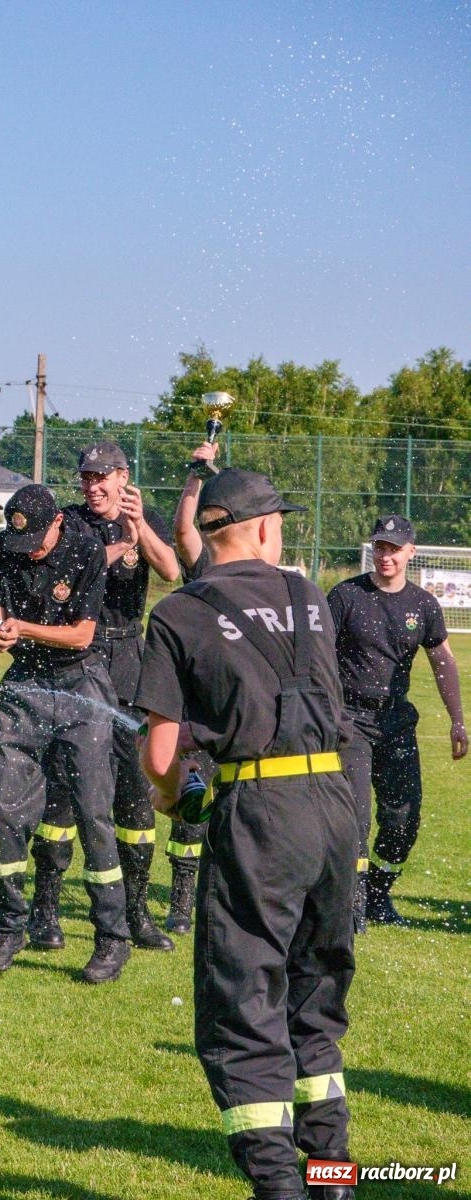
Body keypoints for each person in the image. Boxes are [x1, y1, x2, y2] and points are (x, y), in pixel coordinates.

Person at [137, 468, 358, 1200]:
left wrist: (177, 800)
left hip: (261, 814)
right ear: (265, 529)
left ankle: (278, 1188)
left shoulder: (179, 612)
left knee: (243, 1006)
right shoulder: (309, 598)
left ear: (209, 533)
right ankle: (333, 1182)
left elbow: (160, 758)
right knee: (313, 1008)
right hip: (334, 805)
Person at [26, 441, 179, 953]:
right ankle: (44, 910)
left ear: (123, 477)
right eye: (86, 478)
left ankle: (136, 912)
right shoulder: (67, 523)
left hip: (130, 659)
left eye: (102, 477)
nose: (92, 487)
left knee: (137, 795)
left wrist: (142, 533)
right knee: (64, 793)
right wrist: (116, 546)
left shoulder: (145, 516)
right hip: (78, 660)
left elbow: (171, 572)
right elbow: (68, 575)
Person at [0, 483, 131, 984]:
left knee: (92, 811)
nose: (32, 551)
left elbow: (83, 633)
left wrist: (19, 626)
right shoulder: (5, 547)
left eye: (39, 541)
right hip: (23, 684)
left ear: (58, 523)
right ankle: (9, 925)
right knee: (2, 806)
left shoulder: (86, 549)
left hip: (79, 682)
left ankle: (111, 938)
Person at [328, 515, 467, 928]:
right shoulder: (346, 596)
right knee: (355, 816)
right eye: (380, 547)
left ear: (411, 552)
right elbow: (316, 656)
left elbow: (442, 660)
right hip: (348, 721)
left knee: (404, 818)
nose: (385, 555)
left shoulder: (423, 605)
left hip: (396, 722)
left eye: (393, 548)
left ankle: (378, 895)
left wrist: (458, 721)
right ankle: (350, 902)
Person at [163, 440, 219, 935]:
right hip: (197, 709)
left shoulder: (271, 581)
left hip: (244, 715)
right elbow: (182, 529)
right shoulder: (209, 572)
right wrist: (196, 476)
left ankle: (226, 899)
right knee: (191, 812)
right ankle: (181, 905)